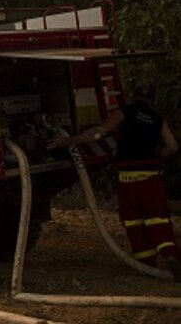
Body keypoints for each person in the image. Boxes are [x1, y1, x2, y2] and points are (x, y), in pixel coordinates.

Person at [49, 84, 180, 272]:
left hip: (127, 179)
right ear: (153, 99)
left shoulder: (123, 113)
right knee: (157, 218)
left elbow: (97, 133)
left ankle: (146, 264)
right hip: (150, 178)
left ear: (133, 96)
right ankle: (172, 254)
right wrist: (158, 156)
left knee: (133, 221)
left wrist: (67, 141)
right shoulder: (158, 119)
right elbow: (173, 147)